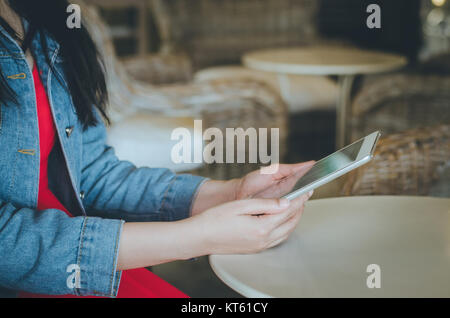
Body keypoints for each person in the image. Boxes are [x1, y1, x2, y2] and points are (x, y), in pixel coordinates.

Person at [0, 0, 314, 298]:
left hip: (88, 265)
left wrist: (229, 194)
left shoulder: (51, 19)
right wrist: (196, 237)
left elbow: (92, 173)